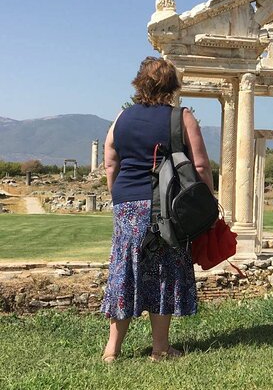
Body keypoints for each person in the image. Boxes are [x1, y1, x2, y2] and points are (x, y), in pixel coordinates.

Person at [100, 56, 215, 362]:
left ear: (139, 83)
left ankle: (113, 349)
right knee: (164, 270)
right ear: (173, 85)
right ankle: (160, 347)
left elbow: (111, 162)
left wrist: (119, 198)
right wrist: (209, 203)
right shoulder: (182, 117)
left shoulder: (120, 118)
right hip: (165, 207)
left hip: (126, 203)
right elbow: (201, 165)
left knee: (124, 270)